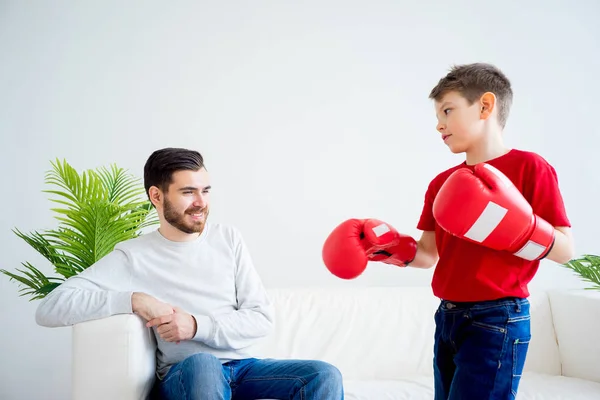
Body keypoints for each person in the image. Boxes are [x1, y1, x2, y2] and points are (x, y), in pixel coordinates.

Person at [322, 63, 574, 399]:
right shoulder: (442, 184)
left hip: (498, 316)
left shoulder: (529, 167)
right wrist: (387, 247)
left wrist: (520, 228)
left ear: (485, 106)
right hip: (448, 316)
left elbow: (565, 251)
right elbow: (428, 254)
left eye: (448, 110)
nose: (439, 124)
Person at [36, 147, 344, 400]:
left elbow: (260, 319)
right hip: (185, 374)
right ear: (157, 196)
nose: (201, 203)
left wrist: (196, 326)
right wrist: (135, 299)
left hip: (245, 369)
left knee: (323, 375)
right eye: (188, 192)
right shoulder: (134, 255)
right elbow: (50, 308)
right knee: (203, 364)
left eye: (205, 191)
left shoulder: (228, 239)